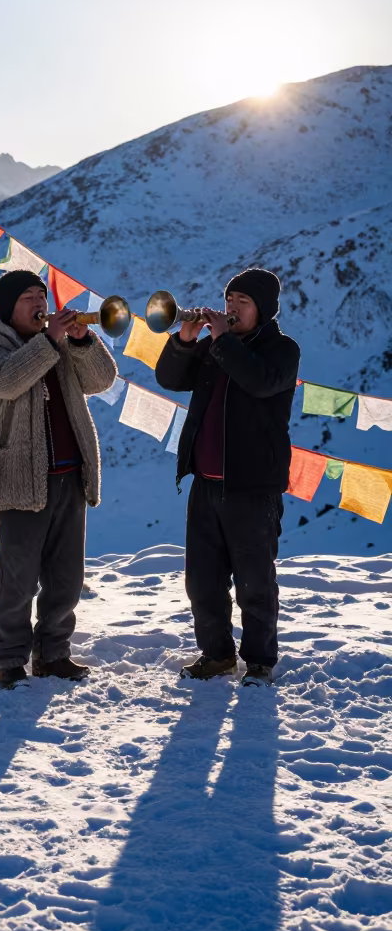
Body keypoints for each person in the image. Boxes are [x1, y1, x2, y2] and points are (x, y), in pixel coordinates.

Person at [0, 270, 118, 689]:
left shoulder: (60, 342)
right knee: (17, 578)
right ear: (7, 308)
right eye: (28, 298)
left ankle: (54, 654)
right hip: (19, 479)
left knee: (66, 576)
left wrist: (82, 342)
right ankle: (11, 660)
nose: (40, 303)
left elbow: (102, 379)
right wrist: (50, 341)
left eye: (42, 294)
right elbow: (7, 381)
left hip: (70, 475)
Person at [155, 268, 300, 687]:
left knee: (255, 581)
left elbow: (258, 381)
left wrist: (219, 340)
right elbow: (170, 378)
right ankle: (216, 655)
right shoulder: (215, 348)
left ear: (264, 310)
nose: (232, 307)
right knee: (202, 581)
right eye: (229, 299)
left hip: (253, 486)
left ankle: (258, 663)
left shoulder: (281, 350)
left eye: (243, 302)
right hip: (206, 483)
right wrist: (185, 339)